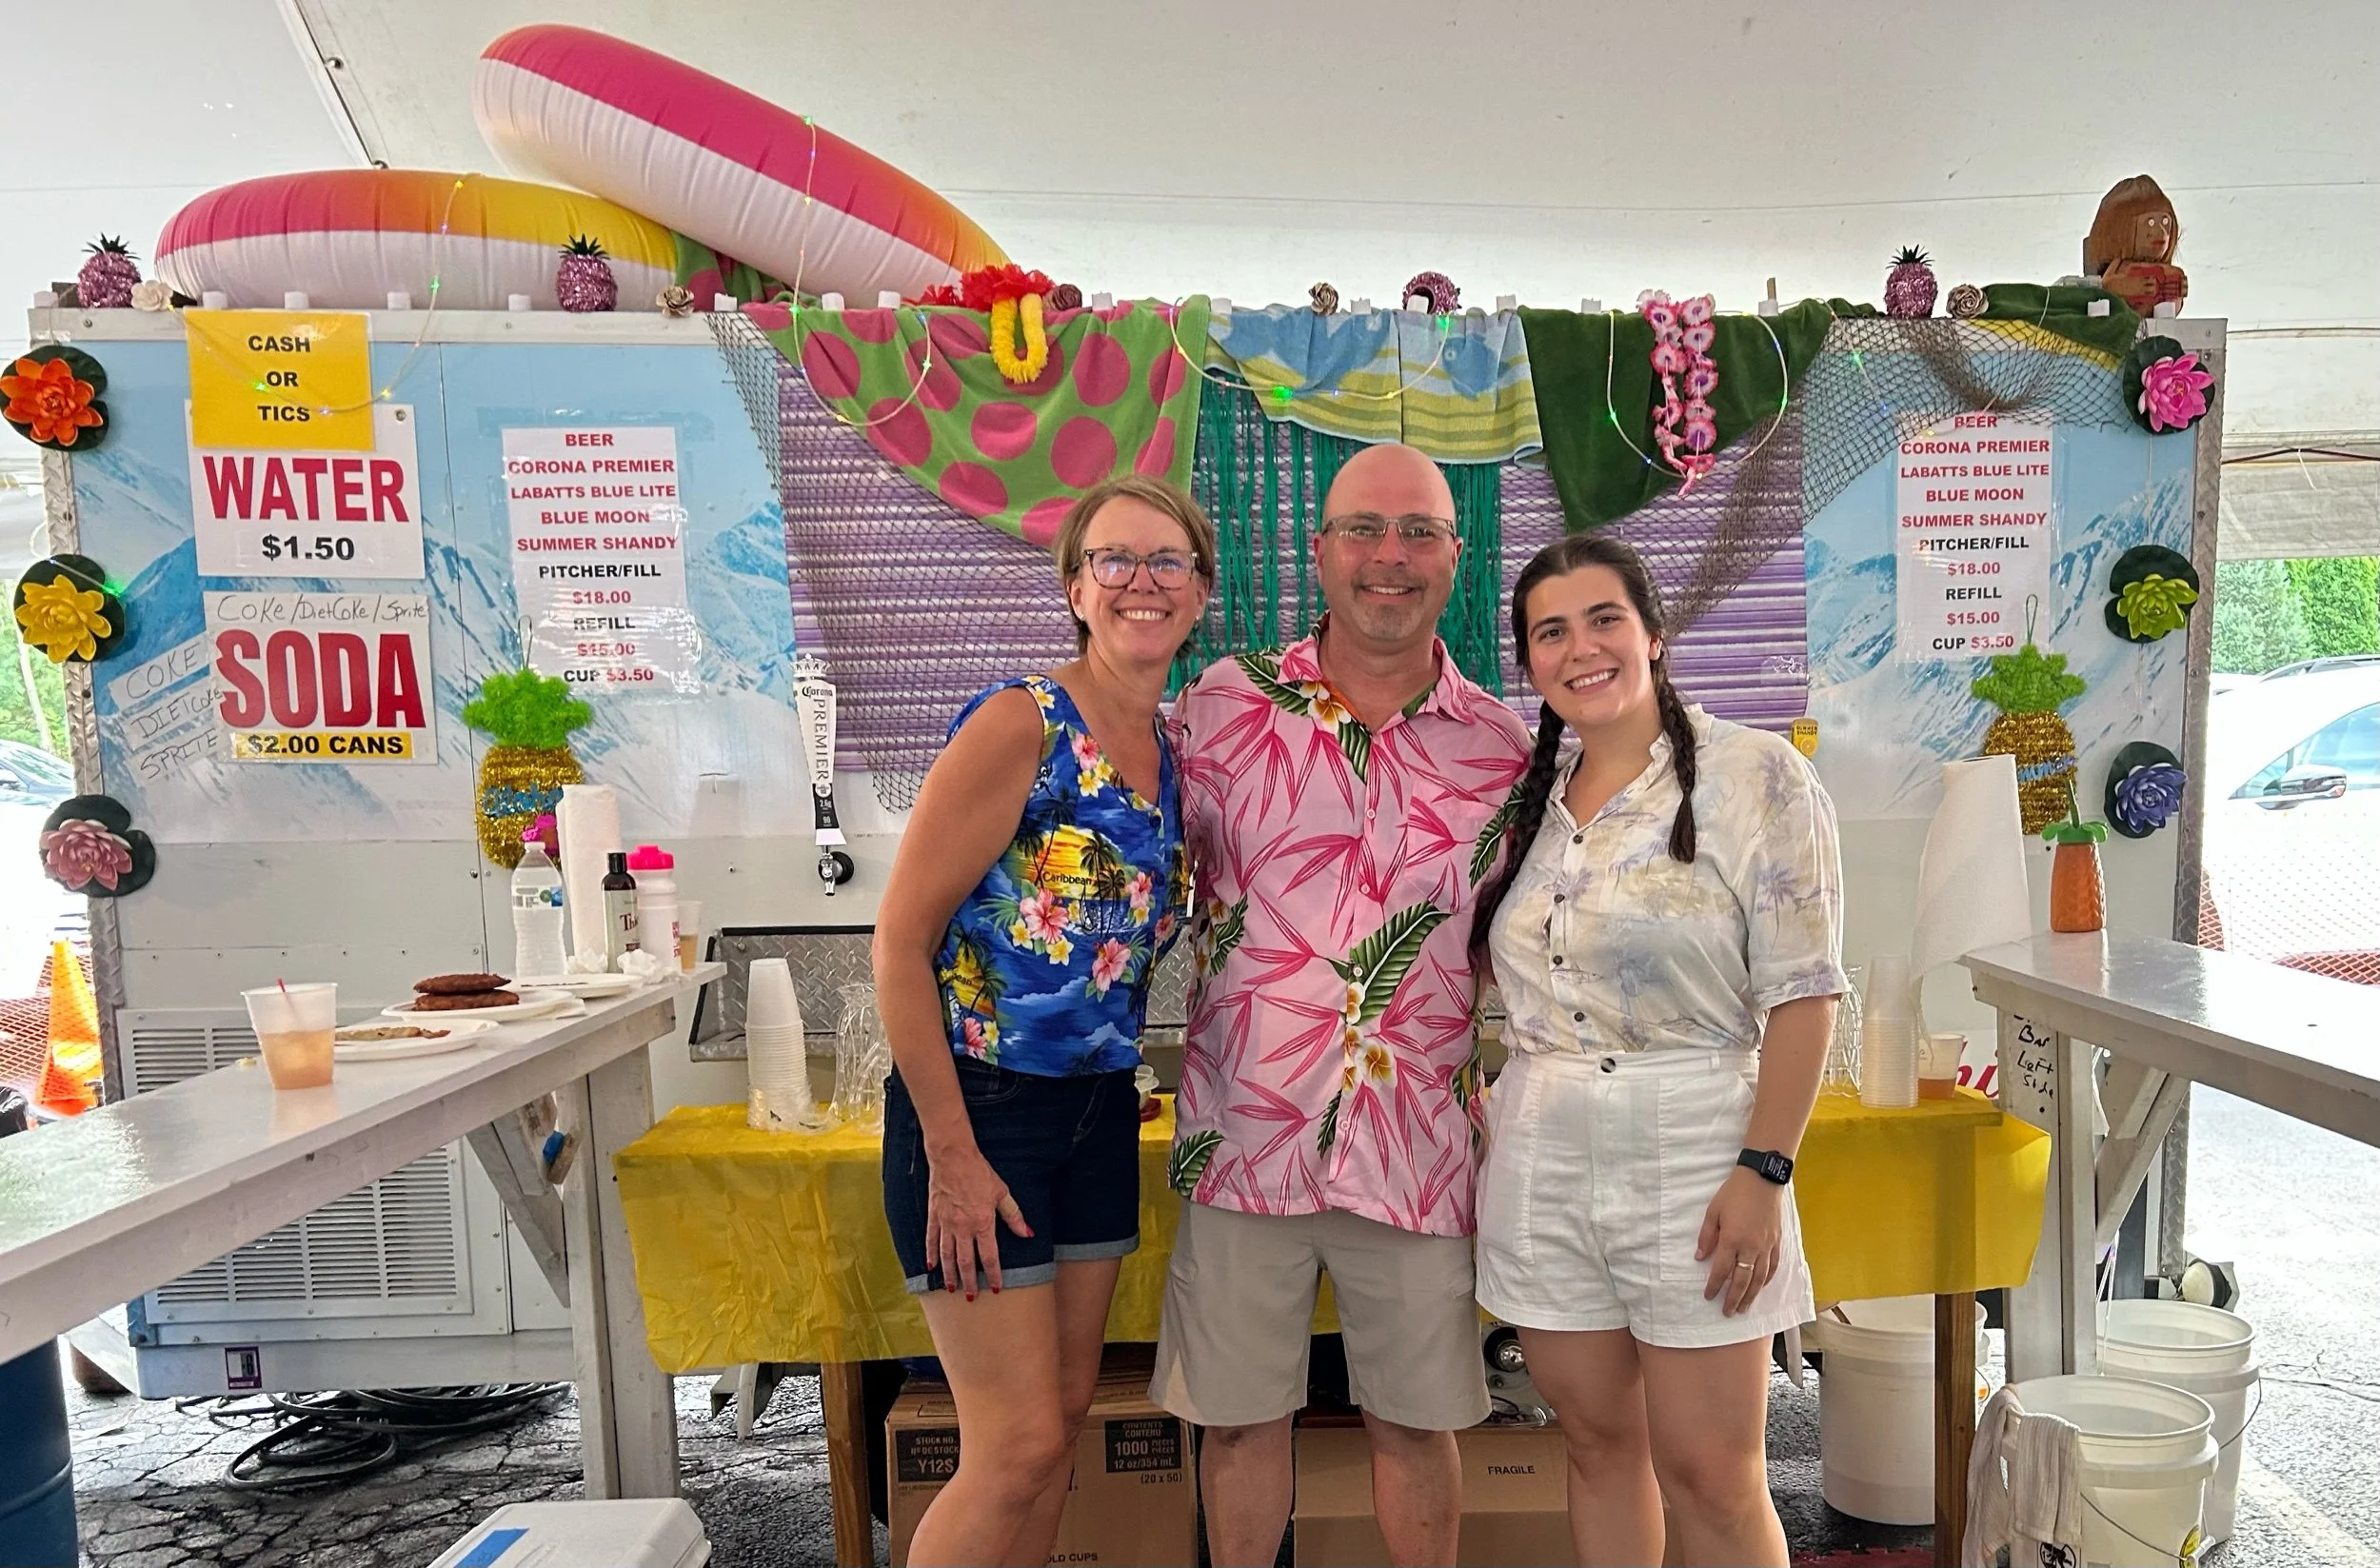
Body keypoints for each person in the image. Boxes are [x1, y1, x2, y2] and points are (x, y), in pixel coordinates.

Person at [1155, 443, 1535, 1567]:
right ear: (1318, 551)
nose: (1389, 556)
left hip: (1414, 1143)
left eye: (1418, 531)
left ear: (1455, 557)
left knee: (1418, 1426)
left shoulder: (1504, 749)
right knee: (1237, 1423)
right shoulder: (1218, 709)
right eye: (1363, 528)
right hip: (1245, 1133)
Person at [1469, 532, 1846, 1568]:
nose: (1580, 648)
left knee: (1712, 1477)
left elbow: (1806, 994)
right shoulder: (1529, 802)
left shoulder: (1754, 776)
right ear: (1530, 661)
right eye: (1551, 632)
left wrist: (1764, 1171)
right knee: (1596, 1448)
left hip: (1696, 1150)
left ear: (1653, 635)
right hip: (1542, 1152)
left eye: (1604, 620)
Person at [873, 474, 1215, 1567]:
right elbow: (898, 945)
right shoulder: (1021, 722)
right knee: (1012, 1446)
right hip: (984, 1109)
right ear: (1075, 588)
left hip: (1098, 1113)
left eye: (1166, 561)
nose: (1140, 582)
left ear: (1200, 593)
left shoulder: (1171, 751)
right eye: (1114, 559)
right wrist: (952, 1153)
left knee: (1056, 1430)